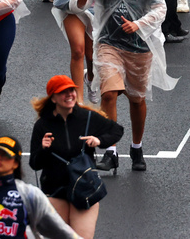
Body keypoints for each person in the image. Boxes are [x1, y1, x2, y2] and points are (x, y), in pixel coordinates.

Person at [70, 0, 174, 172]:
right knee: (109, 94)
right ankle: (111, 150)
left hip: (140, 47)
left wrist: (138, 24)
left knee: (137, 101)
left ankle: (136, 147)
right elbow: (77, 6)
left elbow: (161, 8)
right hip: (108, 44)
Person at [30, 77, 124, 237]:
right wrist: (43, 149)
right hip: (55, 191)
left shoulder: (88, 117)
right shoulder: (42, 125)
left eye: (71, 90)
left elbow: (117, 130)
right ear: (53, 98)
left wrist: (99, 140)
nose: (69, 95)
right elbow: (34, 164)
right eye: (63, 92)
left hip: (84, 189)